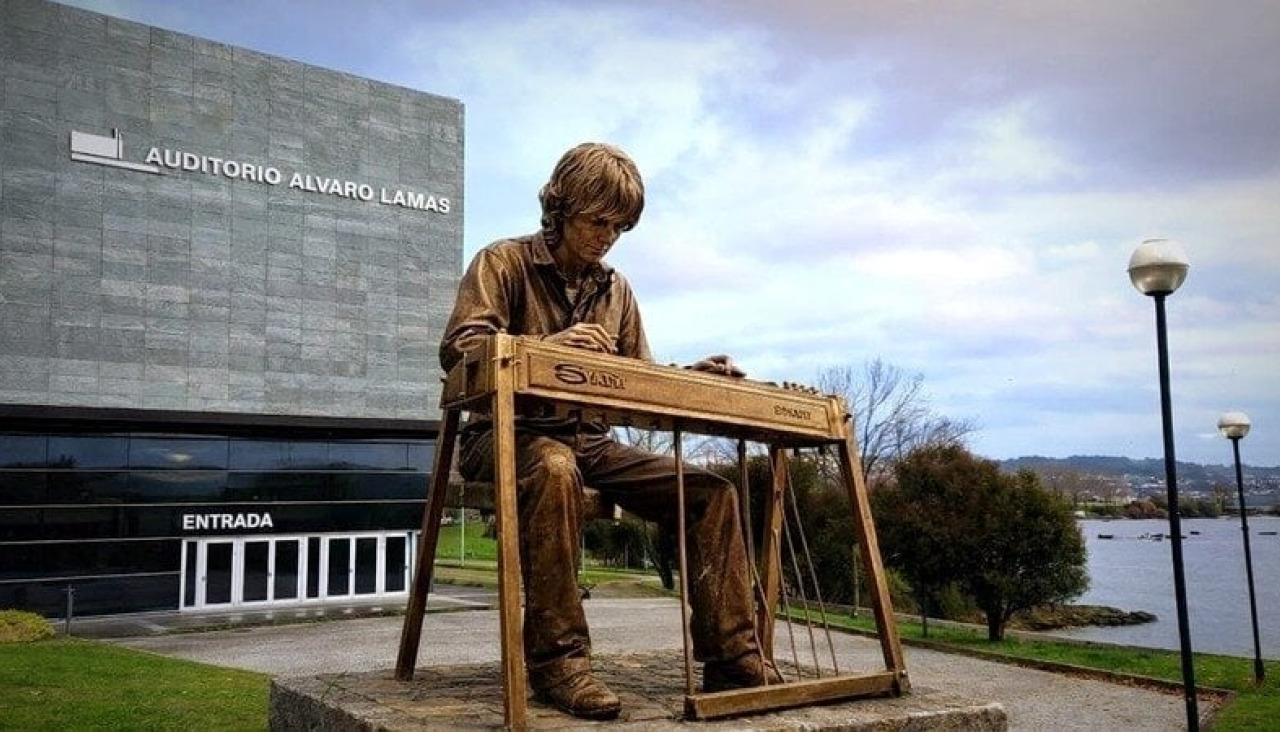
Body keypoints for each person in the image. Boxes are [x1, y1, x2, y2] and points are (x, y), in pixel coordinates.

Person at [440, 142, 780, 720]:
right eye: (598, 221)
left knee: (712, 493)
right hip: (503, 438)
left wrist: (684, 378)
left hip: (590, 443)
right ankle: (559, 663)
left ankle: (732, 656)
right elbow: (460, 351)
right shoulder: (502, 263)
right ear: (562, 205)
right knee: (553, 468)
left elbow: (634, 381)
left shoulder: (616, 290)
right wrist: (541, 349)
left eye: (619, 227)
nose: (607, 236)